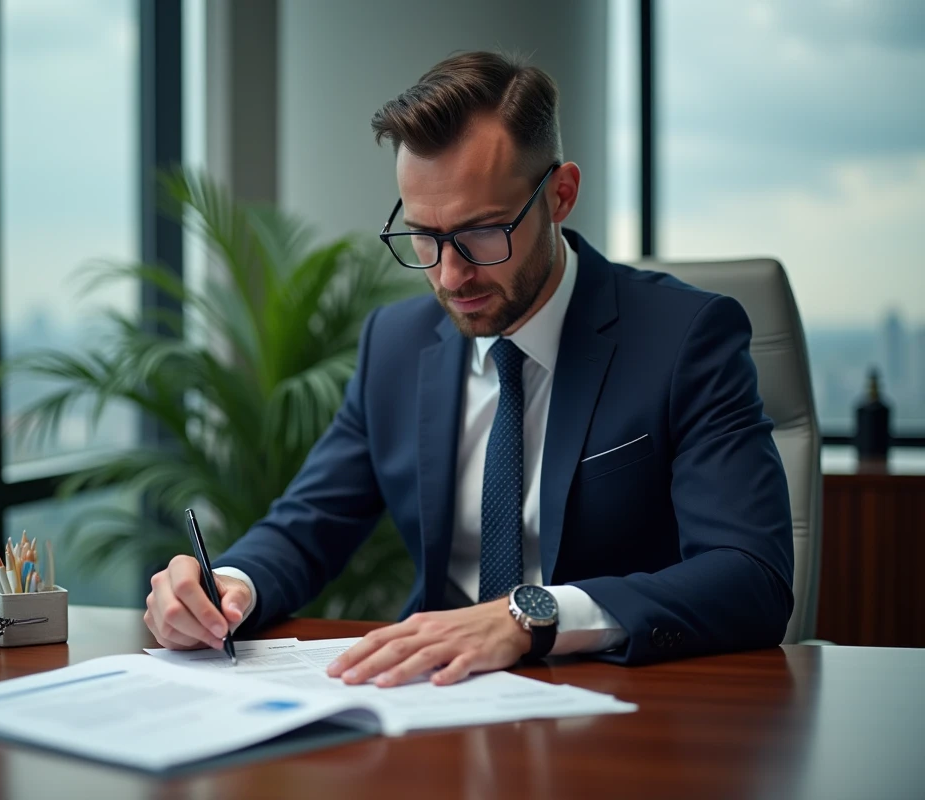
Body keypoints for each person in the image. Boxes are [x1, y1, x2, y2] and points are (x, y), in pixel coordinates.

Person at [144, 51, 794, 686]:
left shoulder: (684, 338)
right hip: (430, 703)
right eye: (423, 236)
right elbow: (307, 523)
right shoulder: (395, 344)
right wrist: (227, 587)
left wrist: (529, 617)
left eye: (483, 233)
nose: (451, 276)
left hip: (615, 702)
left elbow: (750, 575)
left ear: (560, 195)